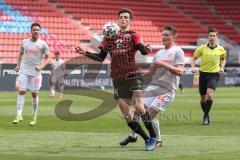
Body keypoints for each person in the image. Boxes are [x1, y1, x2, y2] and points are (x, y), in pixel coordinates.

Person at [76, 8, 157, 151]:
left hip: (133, 75)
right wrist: (85, 53)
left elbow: (142, 49)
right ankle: (147, 139)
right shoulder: (109, 36)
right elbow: (101, 57)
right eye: (121, 17)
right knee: (127, 115)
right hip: (118, 78)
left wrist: (147, 50)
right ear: (118, 20)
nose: (123, 19)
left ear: (130, 20)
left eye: (126, 17)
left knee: (139, 107)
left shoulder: (133, 35)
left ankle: (153, 136)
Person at [119, 25, 185, 148]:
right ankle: (134, 136)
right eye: (163, 34)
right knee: (139, 110)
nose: (164, 36)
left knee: (149, 114)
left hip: (167, 89)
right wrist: (135, 72)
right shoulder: (159, 53)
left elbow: (180, 72)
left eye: (167, 35)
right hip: (153, 87)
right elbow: (150, 73)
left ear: (174, 37)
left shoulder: (178, 51)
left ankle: (157, 141)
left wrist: (164, 64)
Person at [13, 22, 51, 126]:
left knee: (34, 94)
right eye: (34, 29)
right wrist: (17, 65)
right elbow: (20, 54)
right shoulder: (24, 42)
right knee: (21, 91)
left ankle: (34, 115)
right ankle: (18, 115)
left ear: (39, 32)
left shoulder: (43, 44)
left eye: (37, 30)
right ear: (31, 31)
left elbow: (48, 57)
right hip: (24, 71)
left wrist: (41, 66)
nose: (36, 31)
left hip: (35, 73)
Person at [191, 28, 226, 125]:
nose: (212, 37)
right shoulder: (202, 48)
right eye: (210, 35)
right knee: (203, 98)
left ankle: (205, 116)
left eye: (214, 36)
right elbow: (193, 59)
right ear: (208, 37)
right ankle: (206, 115)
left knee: (209, 95)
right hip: (203, 74)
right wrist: (193, 67)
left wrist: (222, 67)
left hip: (214, 74)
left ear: (217, 37)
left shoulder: (221, 49)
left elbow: (223, 58)